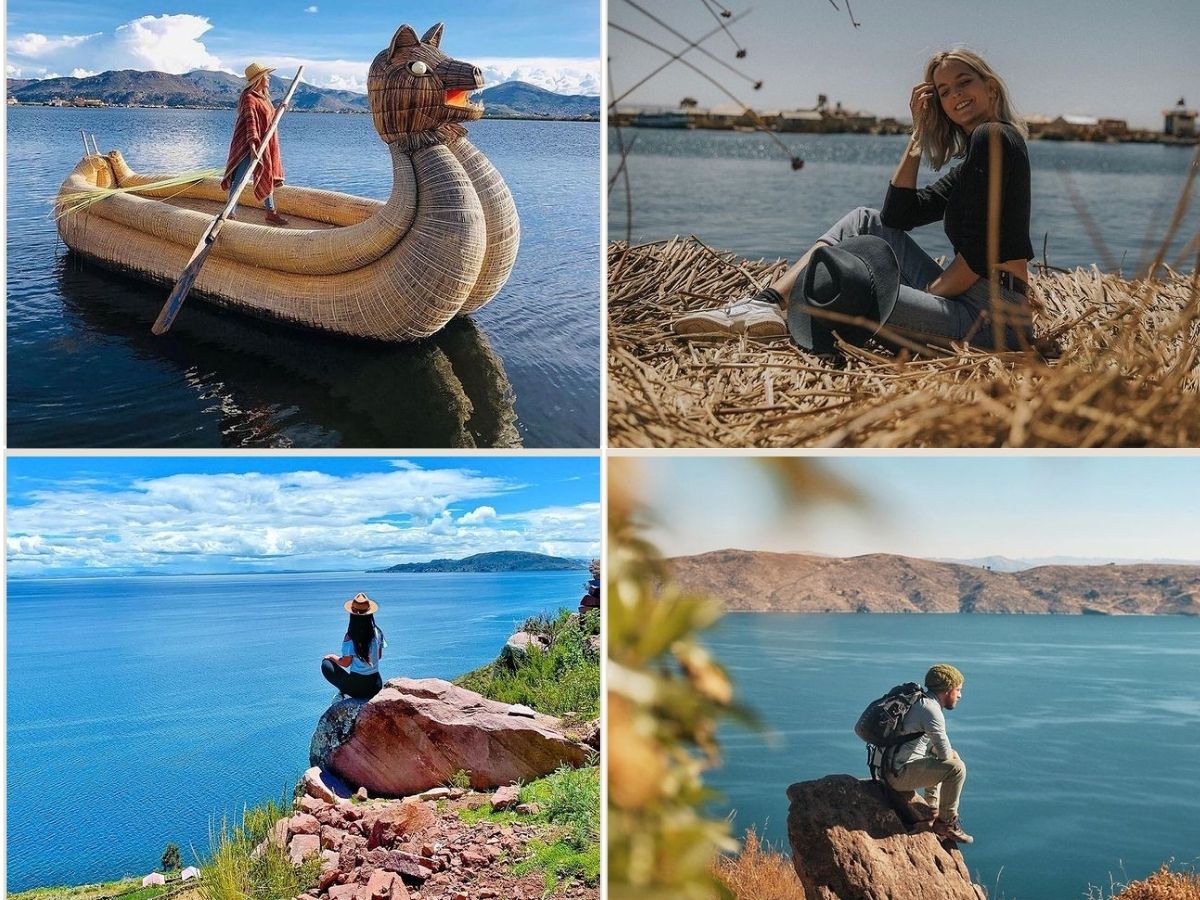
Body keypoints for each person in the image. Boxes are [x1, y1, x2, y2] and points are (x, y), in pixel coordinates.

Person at [674, 48, 1034, 353]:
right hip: (973, 299)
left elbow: (982, 250)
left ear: (990, 86)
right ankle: (765, 304)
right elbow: (897, 215)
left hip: (992, 319)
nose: (956, 95)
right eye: (944, 91)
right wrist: (918, 133)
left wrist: (930, 292)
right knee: (866, 219)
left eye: (964, 82)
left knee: (854, 294)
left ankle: (767, 308)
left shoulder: (993, 137)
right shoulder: (978, 155)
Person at [885, 663, 973, 844]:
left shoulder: (916, 702)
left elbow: (914, 743)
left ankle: (932, 811)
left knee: (941, 759)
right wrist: (952, 755)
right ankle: (947, 823)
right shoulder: (931, 710)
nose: (960, 695)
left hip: (885, 768)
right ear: (947, 690)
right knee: (957, 768)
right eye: (958, 690)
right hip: (897, 776)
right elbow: (945, 756)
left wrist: (939, 752)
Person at [221, 62, 289, 226]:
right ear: (259, 78)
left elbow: (268, 120)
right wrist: (252, 146)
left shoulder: (264, 98)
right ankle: (230, 212)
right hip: (247, 145)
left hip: (262, 144)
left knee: (266, 174)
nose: (269, 78)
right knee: (240, 178)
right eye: (266, 75)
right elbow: (251, 121)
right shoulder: (249, 97)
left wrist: (279, 109)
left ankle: (270, 213)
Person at [321, 592, 387, 700]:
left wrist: (332, 657)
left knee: (326, 664)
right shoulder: (377, 632)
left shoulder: (350, 637)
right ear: (370, 614)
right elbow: (378, 656)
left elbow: (345, 663)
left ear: (352, 614)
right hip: (376, 685)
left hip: (357, 689)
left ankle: (345, 694)